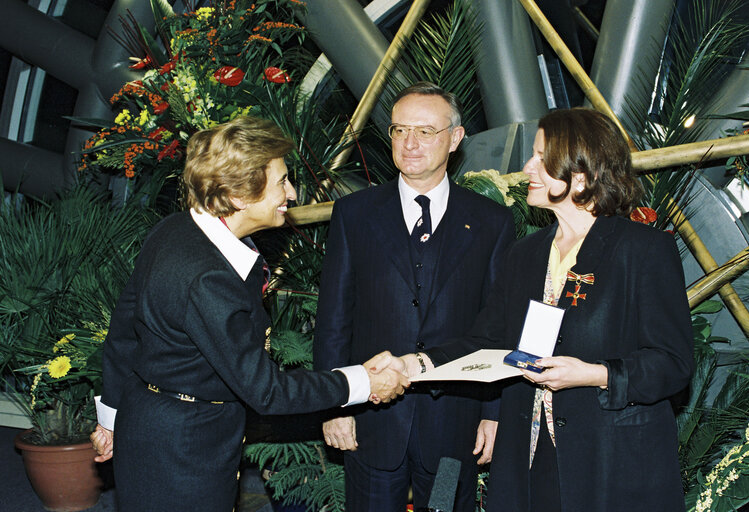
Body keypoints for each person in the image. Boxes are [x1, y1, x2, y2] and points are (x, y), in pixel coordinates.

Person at [89, 116, 409, 512]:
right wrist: (363, 382)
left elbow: (123, 333)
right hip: (184, 451)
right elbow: (267, 391)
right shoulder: (208, 278)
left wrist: (110, 418)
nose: (291, 193)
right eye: (282, 182)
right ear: (239, 195)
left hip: (154, 424)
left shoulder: (174, 229)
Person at [387, 107, 694, 511]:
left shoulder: (642, 250)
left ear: (581, 173)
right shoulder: (526, 253)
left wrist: (594, 375)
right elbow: (486, 340)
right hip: (529, 456)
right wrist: (414, 365)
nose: (528, 167)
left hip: (610, 461)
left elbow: (672, 363)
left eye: (541, 158)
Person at [313, 82, 516, 512]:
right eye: (400, 130)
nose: (410, 143)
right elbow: (334, 318)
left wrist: (494, 413)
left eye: (425, 131)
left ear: (455, 139)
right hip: (371, 421)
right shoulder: (354, 214)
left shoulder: (491, 223)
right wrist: (334, 404)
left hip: (454, 425)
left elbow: (497, 327)